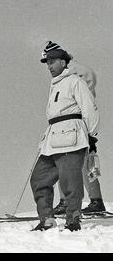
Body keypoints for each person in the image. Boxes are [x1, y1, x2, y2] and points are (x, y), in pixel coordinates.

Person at [30, 48, 99, 231]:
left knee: (70, 181)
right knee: (39, 179)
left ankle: (73, 219)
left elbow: (89, 109)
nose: (49, 66)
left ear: (63, 62)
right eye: (48, 63)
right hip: (52, 139)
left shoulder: (75, 82)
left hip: (71, 136)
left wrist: (92, 137)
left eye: (52, 62)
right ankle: (46, 219)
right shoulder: (55, 84)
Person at [42, 42, 105, 215]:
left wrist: (88, 128)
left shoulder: (74, 73)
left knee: (74, 164)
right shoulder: (68, 73)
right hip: (71, 125)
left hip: (77, 124)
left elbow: (86, 92)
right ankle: (93, 199)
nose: (48, 64)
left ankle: (82, 201)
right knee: (76, 164)